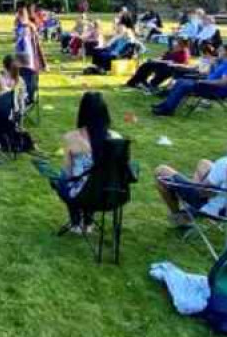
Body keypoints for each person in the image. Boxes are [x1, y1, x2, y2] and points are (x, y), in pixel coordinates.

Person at [154, 119, 227, 224]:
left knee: (161, 171)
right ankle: (189, 214)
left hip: (221, 210)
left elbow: (203, 193)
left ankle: (180, 217)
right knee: (204, 164)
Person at [49, 92, 121, 234]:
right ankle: (87, 222)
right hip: (110, 194)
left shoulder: (72, 138)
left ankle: (76, 222)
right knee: (91, 180)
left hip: (83, 194)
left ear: (82, 112)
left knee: (62, 179)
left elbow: (68, 172)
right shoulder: (117, 138)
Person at [151, 44, 227, 117]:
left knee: (183, 85)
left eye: (221, 50)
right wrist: (212, 66)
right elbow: (209, 75)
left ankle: (168, 110)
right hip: (206, 84)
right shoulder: (222, 63)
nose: (218, 52)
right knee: (180, 81)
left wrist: (204, 81)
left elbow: (224, 82)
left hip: (213, 88)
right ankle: (166, 105)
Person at [125, 37, 193, 91]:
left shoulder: (184, 53)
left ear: (183, 45)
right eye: (177, 43)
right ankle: (137, 81)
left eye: (178, 43)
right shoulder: (175, 49)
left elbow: (173, 62)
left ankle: (148, 83)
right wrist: (158, 59)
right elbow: (165, 56)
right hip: (163, 63)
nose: (176, 44)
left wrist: (158, 61)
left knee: (150, 65)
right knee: (146, 65)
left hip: (170, 67)